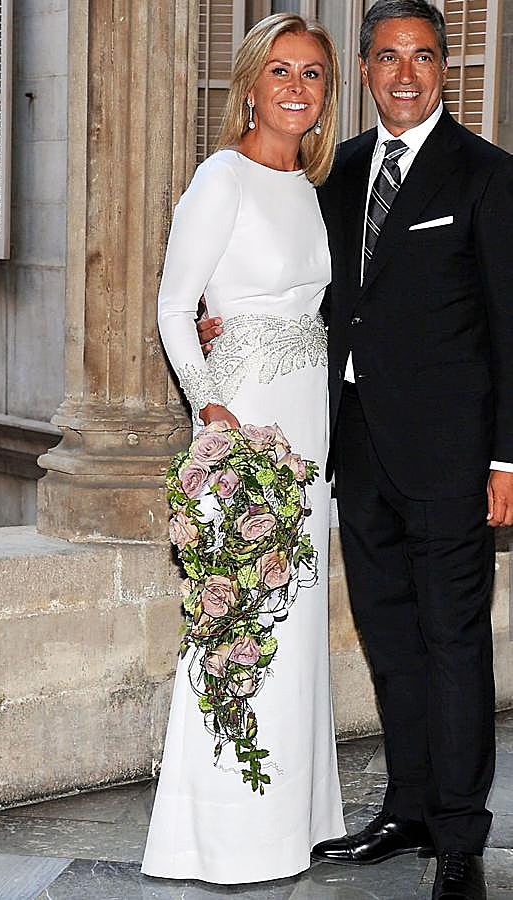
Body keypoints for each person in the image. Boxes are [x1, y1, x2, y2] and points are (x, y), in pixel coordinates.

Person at [199, 2, 513, 898]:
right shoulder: (330, 177)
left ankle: (458, 837)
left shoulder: (486, 178)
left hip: (455, 461)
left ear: (444, 67)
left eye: (421, 56)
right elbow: (286, 282)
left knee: (453, 644)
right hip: (356, 454)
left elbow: (511, 327)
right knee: (388, 639)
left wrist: (505, 460)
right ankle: (406, 808)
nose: (403, 74)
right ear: (366, 74)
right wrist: (210, 319)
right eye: (385, 58)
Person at [141, 13, 345, 886]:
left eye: (312, 74)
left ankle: (292, 823)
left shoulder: (314, 185)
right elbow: (173, 305)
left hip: (308, 422)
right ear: (251, 86)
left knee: (293, 620)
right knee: (236, 617)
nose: (297, 88)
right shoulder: (217, 177)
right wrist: (210, 412)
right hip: (243, 421)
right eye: (281, 71)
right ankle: (220, 838)